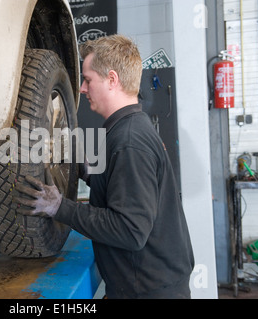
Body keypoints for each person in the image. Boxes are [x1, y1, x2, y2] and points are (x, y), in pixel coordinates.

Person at [13, 35, 195, 299]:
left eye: (87, 80)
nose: (82, 89)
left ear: (112, 79)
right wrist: (90, 172)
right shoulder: (128, 128)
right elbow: (124, 189)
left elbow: (130, 231)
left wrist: (58, 207)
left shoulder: (129, 141)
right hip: (145, 286)